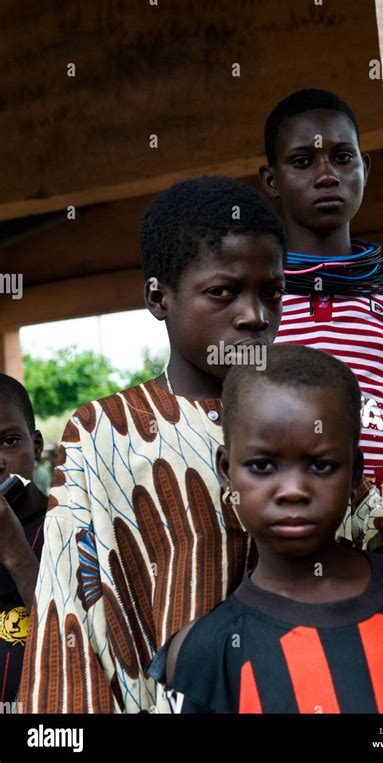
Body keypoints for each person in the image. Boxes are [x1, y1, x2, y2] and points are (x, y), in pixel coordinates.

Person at [18, 176, 286, 713]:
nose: (255, 316)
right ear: (158, 298)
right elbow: (69, 605)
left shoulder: (299, 417)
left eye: (272, 293)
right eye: (223, 292)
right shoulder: (106, 433)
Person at [149, 345, 383, 714]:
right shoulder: (205, 653)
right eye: (262, 466)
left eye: (321, 466)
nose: (293, 490)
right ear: (227, 472)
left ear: (355, 471)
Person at [259, 89, 383, 503]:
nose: (326, 175)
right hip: (288, 509)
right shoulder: (255, 295)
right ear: (271, 180)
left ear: (364, 168)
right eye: (302, 161)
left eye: (342, 157)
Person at [0, 374, 47, 705]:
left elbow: (81, 637)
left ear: (38, 446)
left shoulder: (74, 527)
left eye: (10, 441)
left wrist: (15, 552)